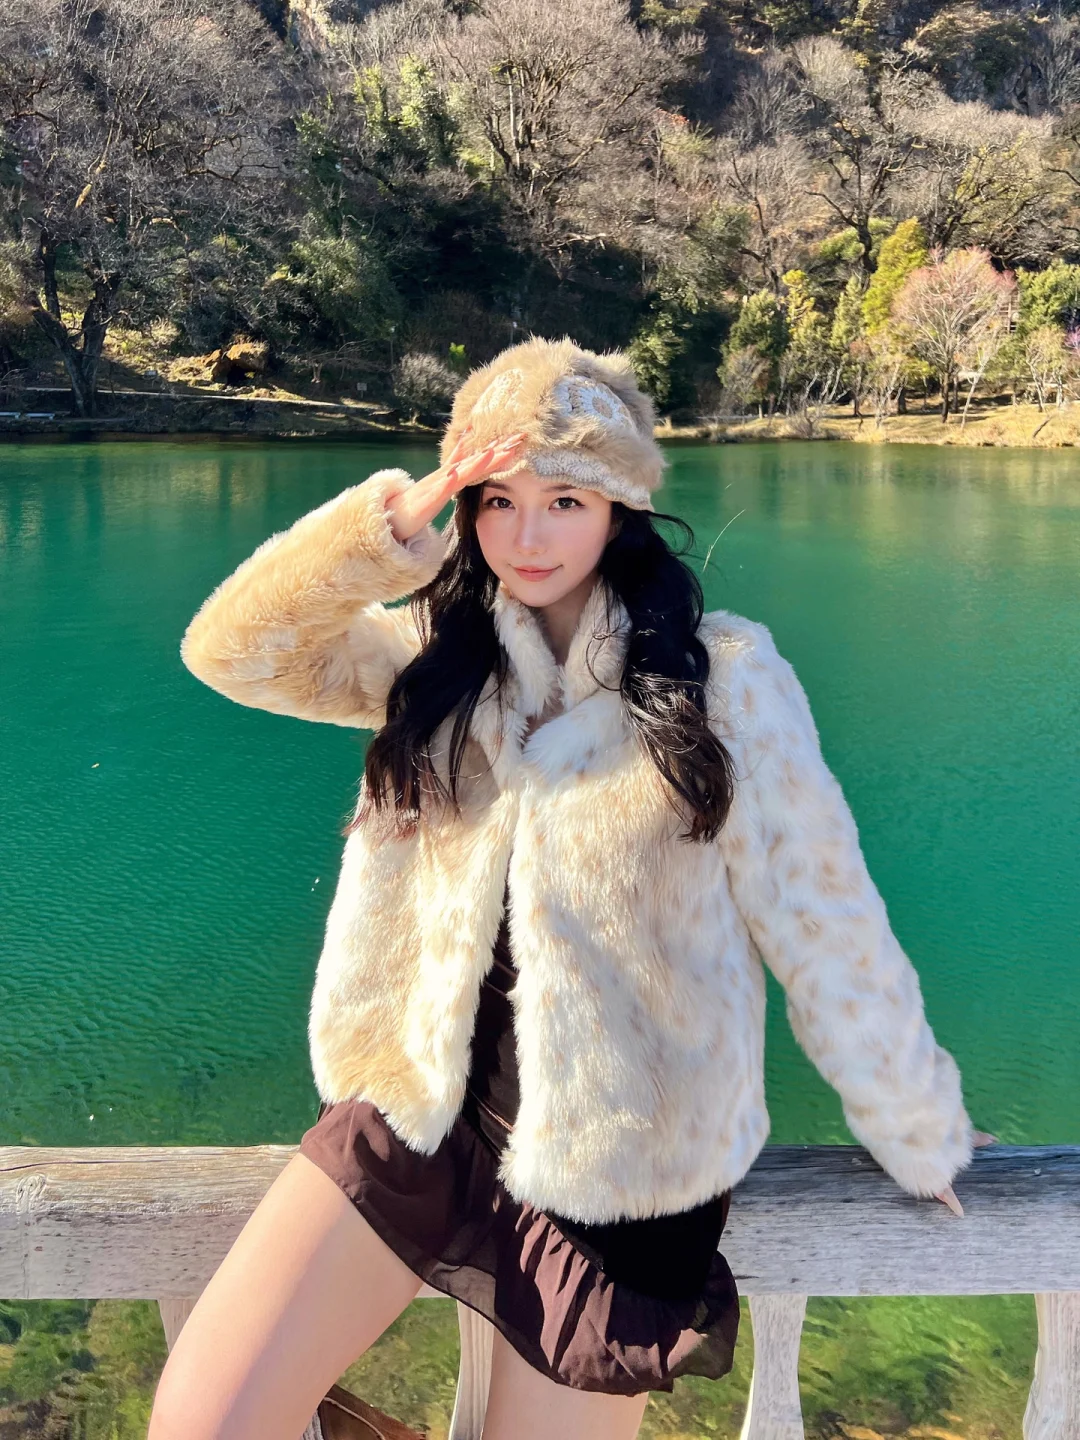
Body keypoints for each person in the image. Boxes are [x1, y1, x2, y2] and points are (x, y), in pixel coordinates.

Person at [150, 336, 995, 1440]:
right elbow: (231, 652)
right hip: (418, 1112)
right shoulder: (433, 660)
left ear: (618, 508)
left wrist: (918, 1131)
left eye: (564, 500)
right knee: (203, 1422)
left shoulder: (724, 681)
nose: (528, 536)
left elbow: (824, 921)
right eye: (498, 502)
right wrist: (382, 533)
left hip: (615, 1175)